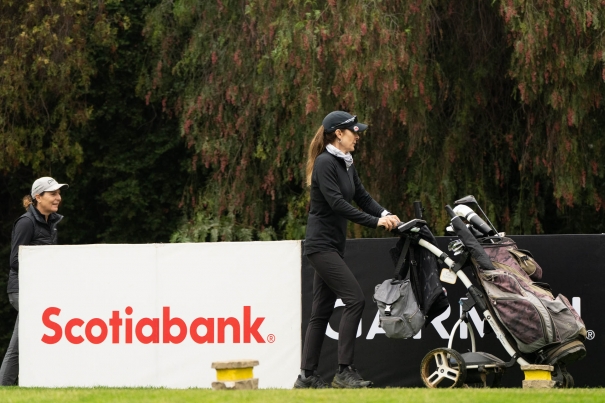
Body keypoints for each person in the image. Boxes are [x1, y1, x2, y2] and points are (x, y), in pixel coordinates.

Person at [294, 111, 400, 389]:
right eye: (354, 131)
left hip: (332, 247)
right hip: (321, 246)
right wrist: (375, 222)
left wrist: (386, 214)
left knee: (321, 312)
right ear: (339, 134)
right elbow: (338, 204)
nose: (358, 135)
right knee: (354, 300)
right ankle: (344, 372)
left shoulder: (346, 162)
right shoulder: (325, 163)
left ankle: (306, 377)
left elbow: (362, 196)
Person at [0, 177, 68, 385]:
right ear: (38, 197)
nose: (58, 198)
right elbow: (15, 260)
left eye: (59, 193)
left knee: (20, 342)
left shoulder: (51, 222)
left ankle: (6, 386)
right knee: (23, 341)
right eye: (53, 194)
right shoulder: (26, 222)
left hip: (39, 290)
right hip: (22, 290)